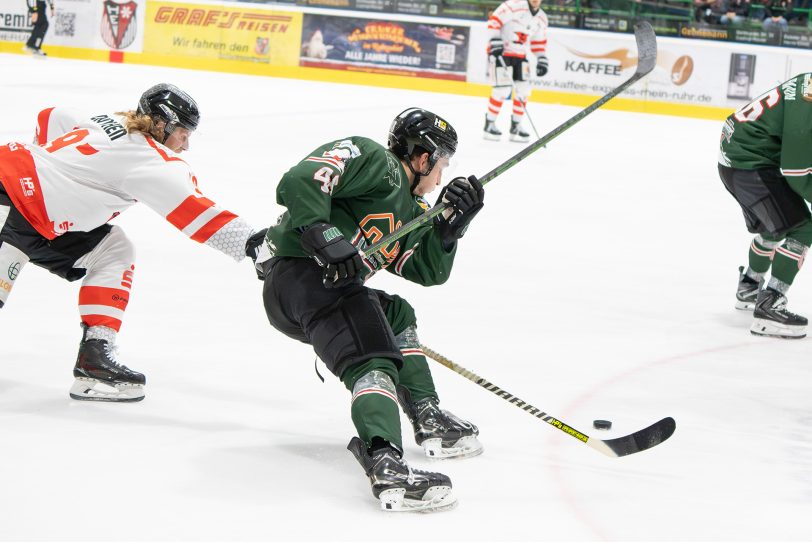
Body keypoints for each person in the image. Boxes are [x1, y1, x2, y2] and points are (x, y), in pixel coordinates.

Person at [253, 108, 485, 511]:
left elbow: (426, 269)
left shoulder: (411, 211)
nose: (441, 177)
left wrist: (449, 230)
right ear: (423, 157)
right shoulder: (376, 161)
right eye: (442, 163)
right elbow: (304, 177)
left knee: (396, 316)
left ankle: (426, 414)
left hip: (316, 288)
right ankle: (386, 462)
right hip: (302, 275)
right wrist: (320, 232)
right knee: (372, 359)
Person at [0, 83, 262, 401]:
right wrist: (254, 244)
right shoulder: (153, 160)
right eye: (184, 133)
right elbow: (196, 212)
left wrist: (49, 168)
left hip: (31, 211)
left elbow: (51, 116)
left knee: (113, 250)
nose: (186, 144)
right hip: (12, 201)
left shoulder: (108, 120)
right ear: (163, 124)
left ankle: (94, 358)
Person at [719, 73, 812, 339]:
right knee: (803, 228)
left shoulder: (808, 82)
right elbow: (797, 172)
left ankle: (749, 286)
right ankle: (769, 306)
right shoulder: (807, 105)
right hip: (750, 165)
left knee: (775, 227)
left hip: (738, 159)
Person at [483, 0, 549, 143]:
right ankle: (489, 123)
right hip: (502, 54)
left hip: (521, 57)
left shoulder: (542, 18)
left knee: (523, 91)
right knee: (501, 90)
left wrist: (542, 58)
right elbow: (494, 21)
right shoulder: (513, 6)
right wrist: (494, 40)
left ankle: (516, 126)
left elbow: (538, 42)